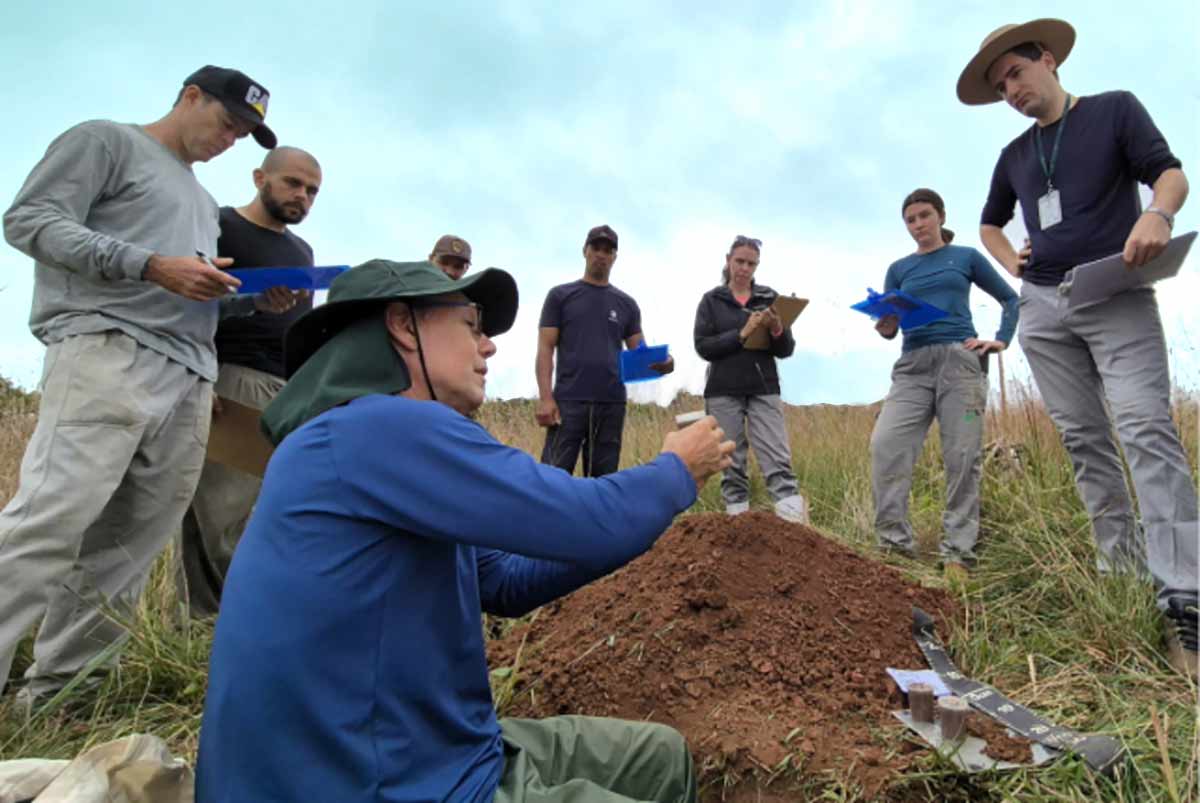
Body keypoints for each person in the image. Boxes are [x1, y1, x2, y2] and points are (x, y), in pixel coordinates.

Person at [196, 259, 733, 802]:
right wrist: (673, 474)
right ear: (403, 326)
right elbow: (584, 518)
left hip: (436, 752)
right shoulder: (374, 427)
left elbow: (503, 580)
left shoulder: (369, 444)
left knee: (662, 757)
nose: (489, 346)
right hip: (369, 783)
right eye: (472, 325)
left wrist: (638, 522)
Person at [0, 65, 297, 701]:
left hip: (189, 374)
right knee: (50, 522)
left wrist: (246, 301)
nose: (229, 140)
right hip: (109, 355)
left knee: (127, 548)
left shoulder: (198, 201)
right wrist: (149, 265)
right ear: (190, 96)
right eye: (226, 123)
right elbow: (27, 220)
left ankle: (60, 697)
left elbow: (186, 295)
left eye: (244, 135)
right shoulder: (106, 141)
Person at [960, 18, 1197, 675]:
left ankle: (1186, 597)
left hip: (1115, 291)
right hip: (1042, 307)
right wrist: (1012, 260)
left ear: (1046, 59)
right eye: (1000, 84)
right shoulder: (1013, 156)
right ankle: (1118, 572)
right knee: (1084, 440)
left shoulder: (1114, 110)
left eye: (1015, 72)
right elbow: (988, 222)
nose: (1010, 89)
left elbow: (1171, 174)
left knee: (1146, 429)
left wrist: (1158, 213)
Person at [177, 146, 322, 617]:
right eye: (293, 183)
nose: (302, 196)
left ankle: (206, 635)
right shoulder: (218, 225)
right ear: (261, 177)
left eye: (312, 190)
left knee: (261, 517)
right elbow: (185, 304)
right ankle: (231, 627)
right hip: (229, 380)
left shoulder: (302, 252)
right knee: (221, 519)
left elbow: (300, 328)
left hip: (285, 389)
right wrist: (198, 379)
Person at [868, 190, 1018, 577]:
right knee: (886, 446)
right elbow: (889, 328)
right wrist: (885, 324)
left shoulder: (964, 257)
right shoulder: (899, 269)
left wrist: (1001, 339)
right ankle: (895, 548)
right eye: (910, 219)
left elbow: (1010, 299)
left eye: (924, 216)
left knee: (962, 458)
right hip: (913, 366)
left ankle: (957, 554)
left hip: (960, 363)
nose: (918, 225)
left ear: (941, 216)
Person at [536, 224, 673, 477]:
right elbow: (545, 349)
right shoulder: (560, 296)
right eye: (596, 248)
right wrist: (546, 398)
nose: (601, 254)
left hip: (611, 404)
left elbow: (639, 352)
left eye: (608, 250)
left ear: (614, 257)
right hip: (568, 402)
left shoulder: (626, 304)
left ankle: (597, 518)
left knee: (604, 481)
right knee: (552, 477)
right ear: (585, 251)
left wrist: (666, 362)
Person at [693, 235, 809, 523]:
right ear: (728, 261)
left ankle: (794, 529)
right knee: (731, 463)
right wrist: (741, 334)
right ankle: (737, 529)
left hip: (763, 387)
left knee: (777, 458)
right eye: (739, 262)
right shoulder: (711, 301)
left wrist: (777, 328)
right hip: (723, 390)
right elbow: (703, 347)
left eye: (751, 263)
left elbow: (786, 350)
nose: (744, 268)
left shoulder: (770, 298)